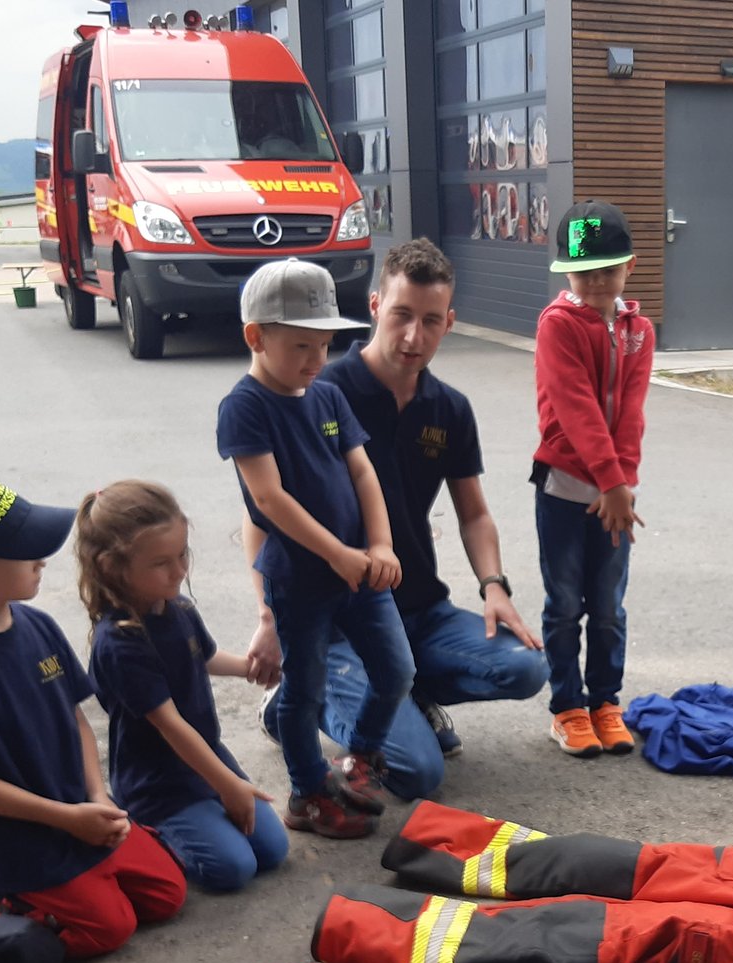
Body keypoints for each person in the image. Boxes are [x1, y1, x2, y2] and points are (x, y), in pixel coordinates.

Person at [246, 239, 547, 795]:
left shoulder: (449, 408)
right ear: (375, 305)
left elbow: (474, 513)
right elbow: (262, 516)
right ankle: (293, 704)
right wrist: (270, 618)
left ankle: (403, 692)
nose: (414, 336)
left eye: (431, 321)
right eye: (402, 315)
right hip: (335, 622)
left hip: (418, 610)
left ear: (449, 322)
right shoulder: (318, 390)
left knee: (526, 667)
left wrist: (494, 586)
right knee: (419, 771)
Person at [0, 474, 187, 958]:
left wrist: (98, 797)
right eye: (24, 551)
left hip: (78, 811)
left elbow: (75, 719)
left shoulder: (37, 624)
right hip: (17, 836)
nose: (41, 558)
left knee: (166, 895)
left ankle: (25, 881)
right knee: (109, 929)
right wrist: (67, 818)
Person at [218, 258, 413, 838]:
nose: (316, 360)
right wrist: (337, 554)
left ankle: (359, 756)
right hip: (302, 581)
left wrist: (379, 542)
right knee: (305, 690)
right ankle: (306, 792)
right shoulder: (245, 406)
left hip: (359, 569)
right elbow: (270, 499)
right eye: (302, 346)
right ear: (256, 336)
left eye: (324, 345)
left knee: (397, 670)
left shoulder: (324, 396)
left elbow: (362, 472)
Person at [77, 480, 290, 891]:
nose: (179, 570)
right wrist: (229, 786)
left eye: (182, 555)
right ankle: (150, 831)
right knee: (231, 869)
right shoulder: (120, 642)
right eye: (161, 563)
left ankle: (210, 811)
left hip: (208, 760)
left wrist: (257, 668)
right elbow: (170, 725)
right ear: (110, 568)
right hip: (160, 786)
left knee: (272, 849)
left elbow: (204, 657)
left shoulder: (179, 608)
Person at [533, 199, 655, 757]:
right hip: (564, 487)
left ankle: (606, 701)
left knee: (608, 605)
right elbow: (576, 405)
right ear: (567, 273)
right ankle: (567, 708)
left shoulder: (639, 331)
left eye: (610, 269)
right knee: (564, 604)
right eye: (586, 272)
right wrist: (609, 482)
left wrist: (622, 483)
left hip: (615, 495)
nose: (599, 281)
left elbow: (631, 411)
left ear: (629, 267)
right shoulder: (557, 325)